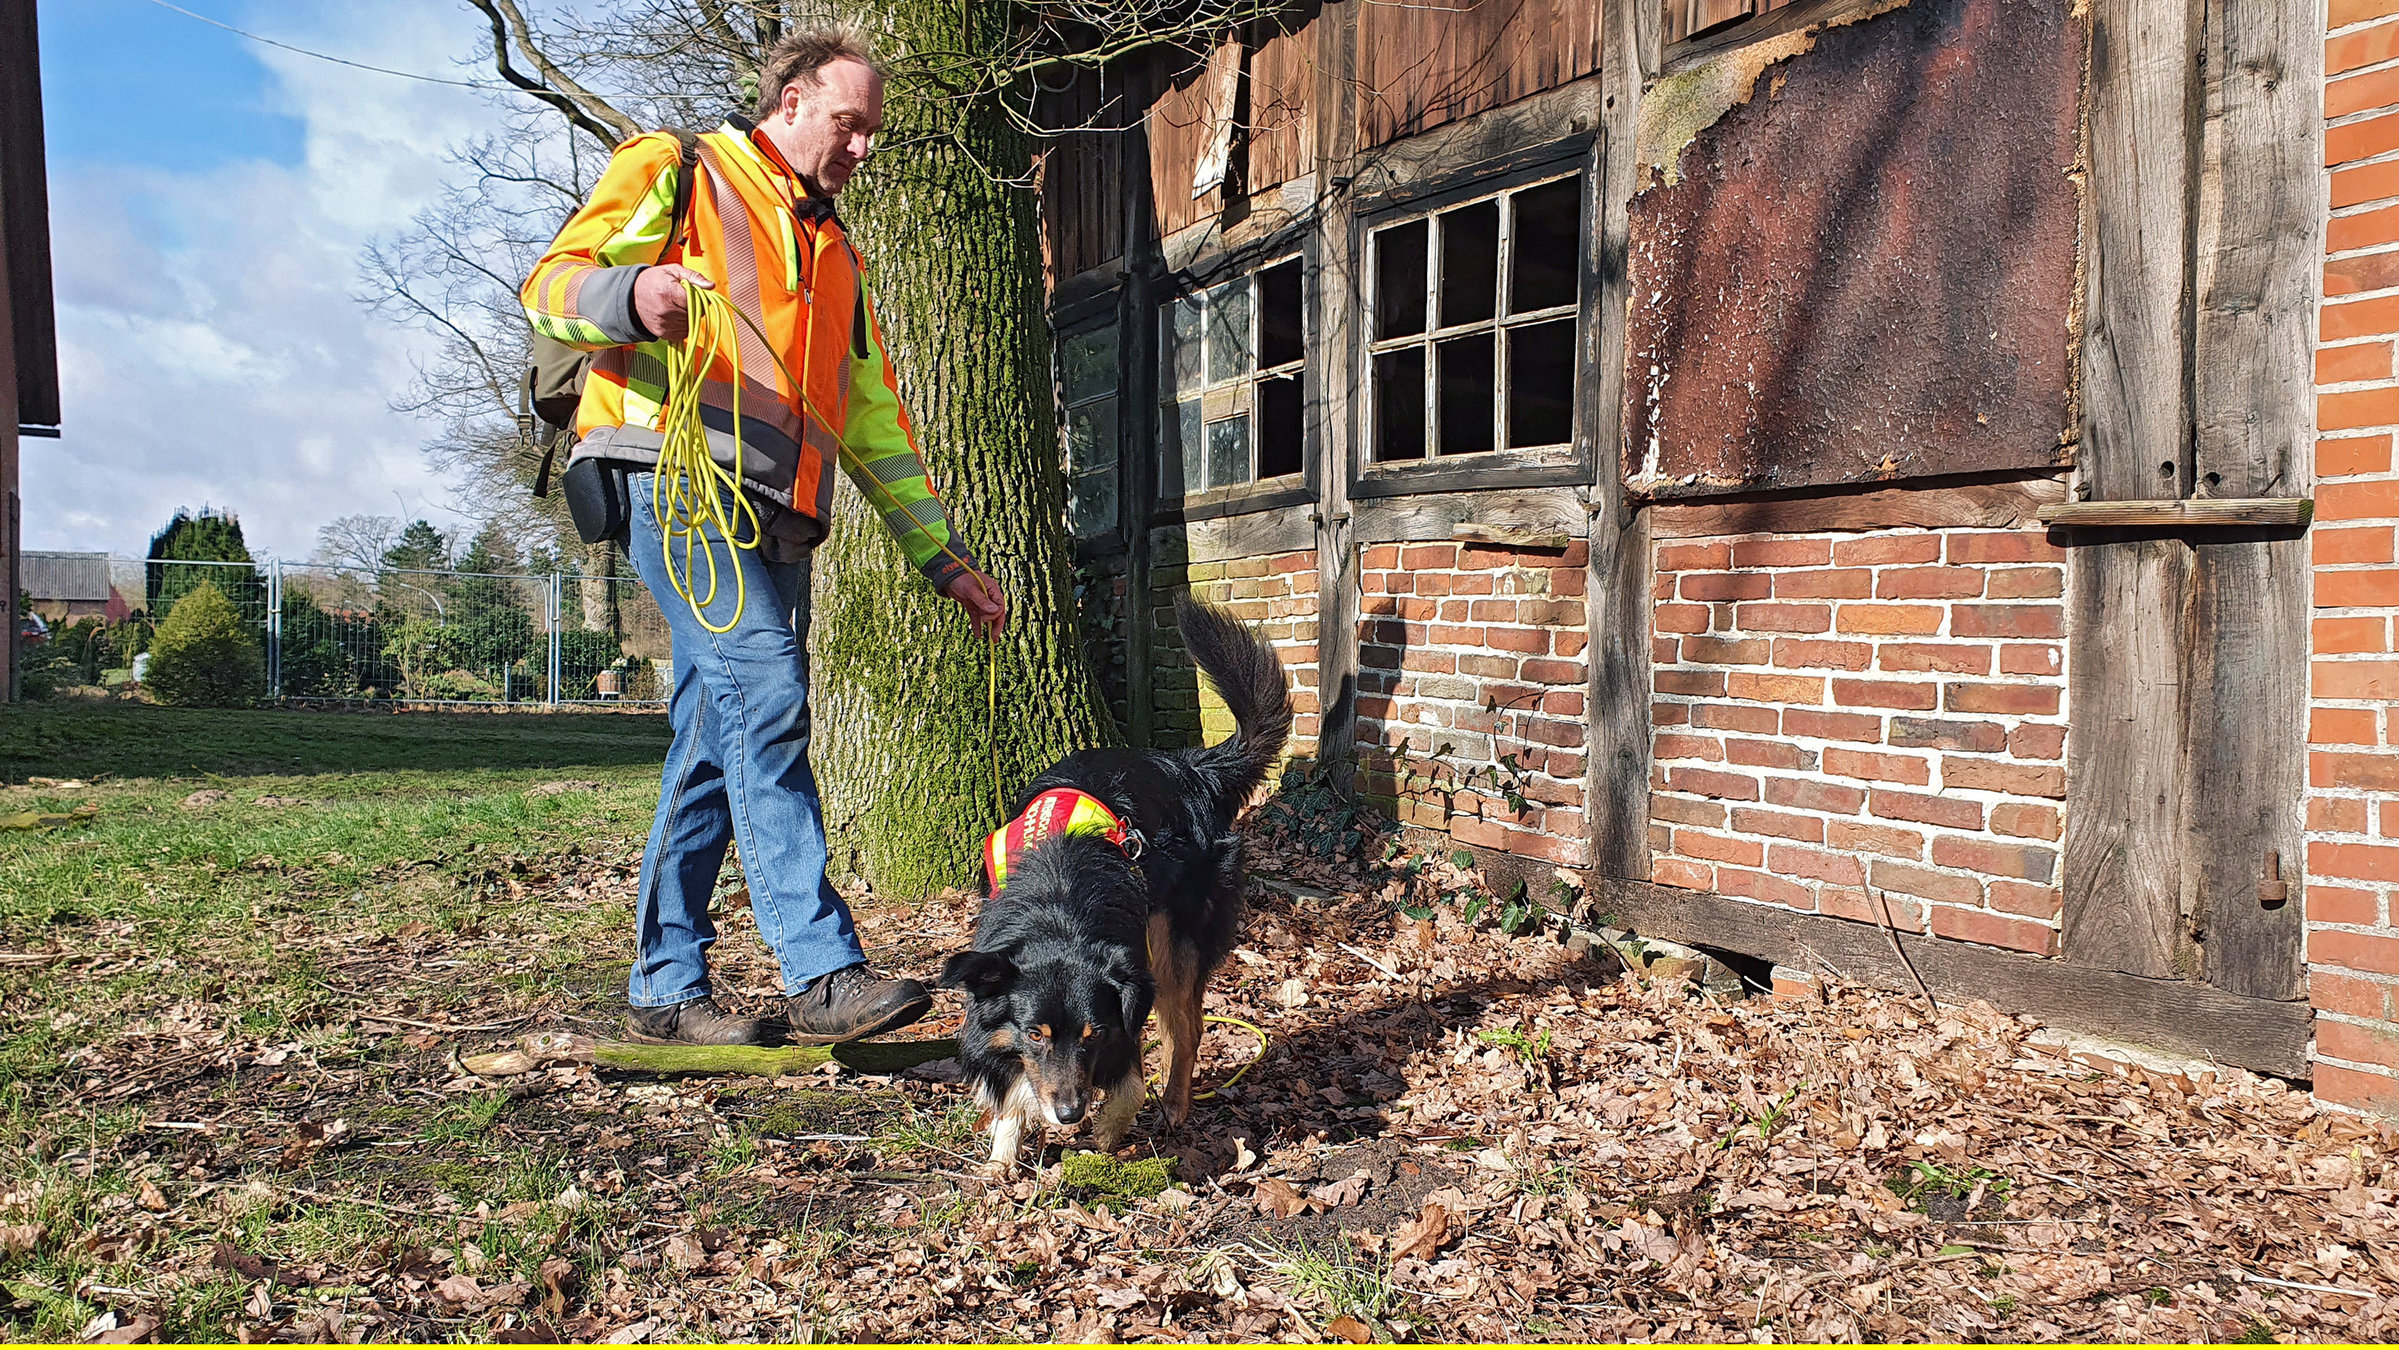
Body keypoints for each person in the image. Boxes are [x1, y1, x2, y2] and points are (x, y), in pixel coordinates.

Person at [519, 26, 1007, 1046]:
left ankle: (663, 986)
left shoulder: (838, 258)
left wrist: (944, 560)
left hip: (777, 523)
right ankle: (819, 970)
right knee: (769, 693)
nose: (863, 148)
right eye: (849, 124)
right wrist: (632, 292)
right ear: (789, 102)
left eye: (872, 132)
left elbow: (872, 423)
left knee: (713, 740)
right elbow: (551, 285)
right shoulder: (677, 170)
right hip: (671, 482)